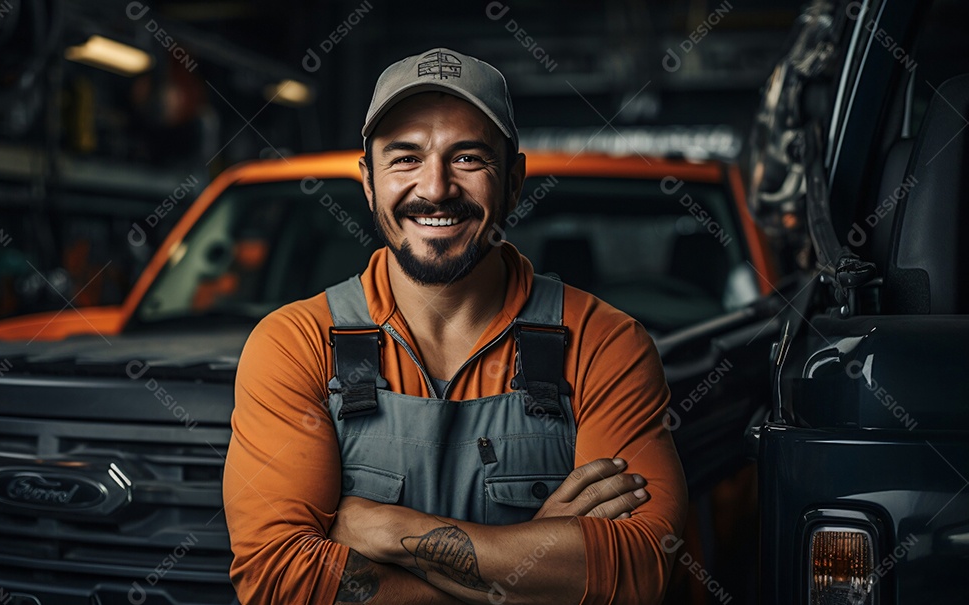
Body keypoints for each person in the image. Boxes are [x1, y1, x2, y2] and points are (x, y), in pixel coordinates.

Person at [223, 47, 686, 604]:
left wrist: (386, 531)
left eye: (468, 158)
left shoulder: (604, 343)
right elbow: (277, 580)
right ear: (368, 183)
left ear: (514, 181)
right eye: (405, 158)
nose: (436, 188)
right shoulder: (296, 345)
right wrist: (530, 566)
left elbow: (640, 571)